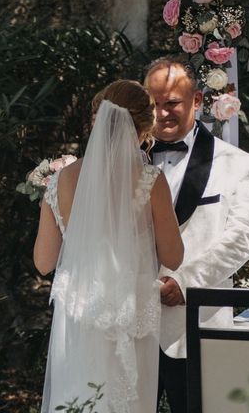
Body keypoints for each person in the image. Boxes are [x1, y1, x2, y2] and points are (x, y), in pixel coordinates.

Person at [33, 80, 184, 413]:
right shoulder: (150, 180)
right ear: (146, 127)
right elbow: (174, 257)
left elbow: (44, 262)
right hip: (131, 316)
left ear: (96, 120)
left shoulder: (60, 181)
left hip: (78, 315)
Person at [144, 58, 249, 412]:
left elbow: (242, 237)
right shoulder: (123, 163)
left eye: (172, 104)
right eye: (153, 104)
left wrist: (186, 282)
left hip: (197, 327)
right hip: (132, 330)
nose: (161, 114)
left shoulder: (238, 164)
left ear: (196, 101)